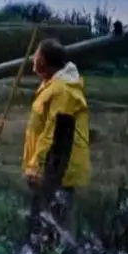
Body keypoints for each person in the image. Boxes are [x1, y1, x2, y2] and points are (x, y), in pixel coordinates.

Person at [22, 38, 91, 237]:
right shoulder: (52, 84)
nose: (32, 60)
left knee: (53, 226)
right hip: (50, 167)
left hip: (57, 170)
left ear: (44, 61)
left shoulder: (62, 90)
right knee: (42, 222)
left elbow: (53, 132)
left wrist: (36, 164)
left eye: (35, 56)